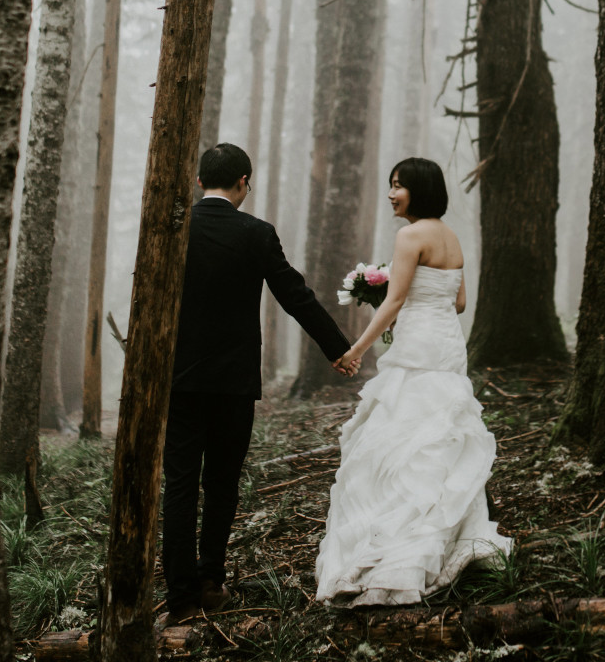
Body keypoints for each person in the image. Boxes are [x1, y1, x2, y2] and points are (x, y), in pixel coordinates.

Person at [163, 143, 356, 625]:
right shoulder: (256, 233)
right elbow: (296, 296)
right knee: (222, 481)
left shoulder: (173, 227)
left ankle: (180, 595)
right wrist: (338, 348)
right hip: (233, 381)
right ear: (244, 182)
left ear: (200, 180)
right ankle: (212, 580)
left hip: (180, 378)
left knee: (180, 483)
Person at [314, 157, 511, 606]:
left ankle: (389, 553)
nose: (390, 193)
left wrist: (356, 350)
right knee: (439, 437)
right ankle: (444, 540)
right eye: (389, 185)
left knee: (399, 438)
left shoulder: (409, 236)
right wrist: (421, 296)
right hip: (446, 347)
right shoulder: (451, 238)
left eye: (398, 186)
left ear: (418, 190)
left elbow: (396, 300)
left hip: (416, 348)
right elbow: (458, 302)